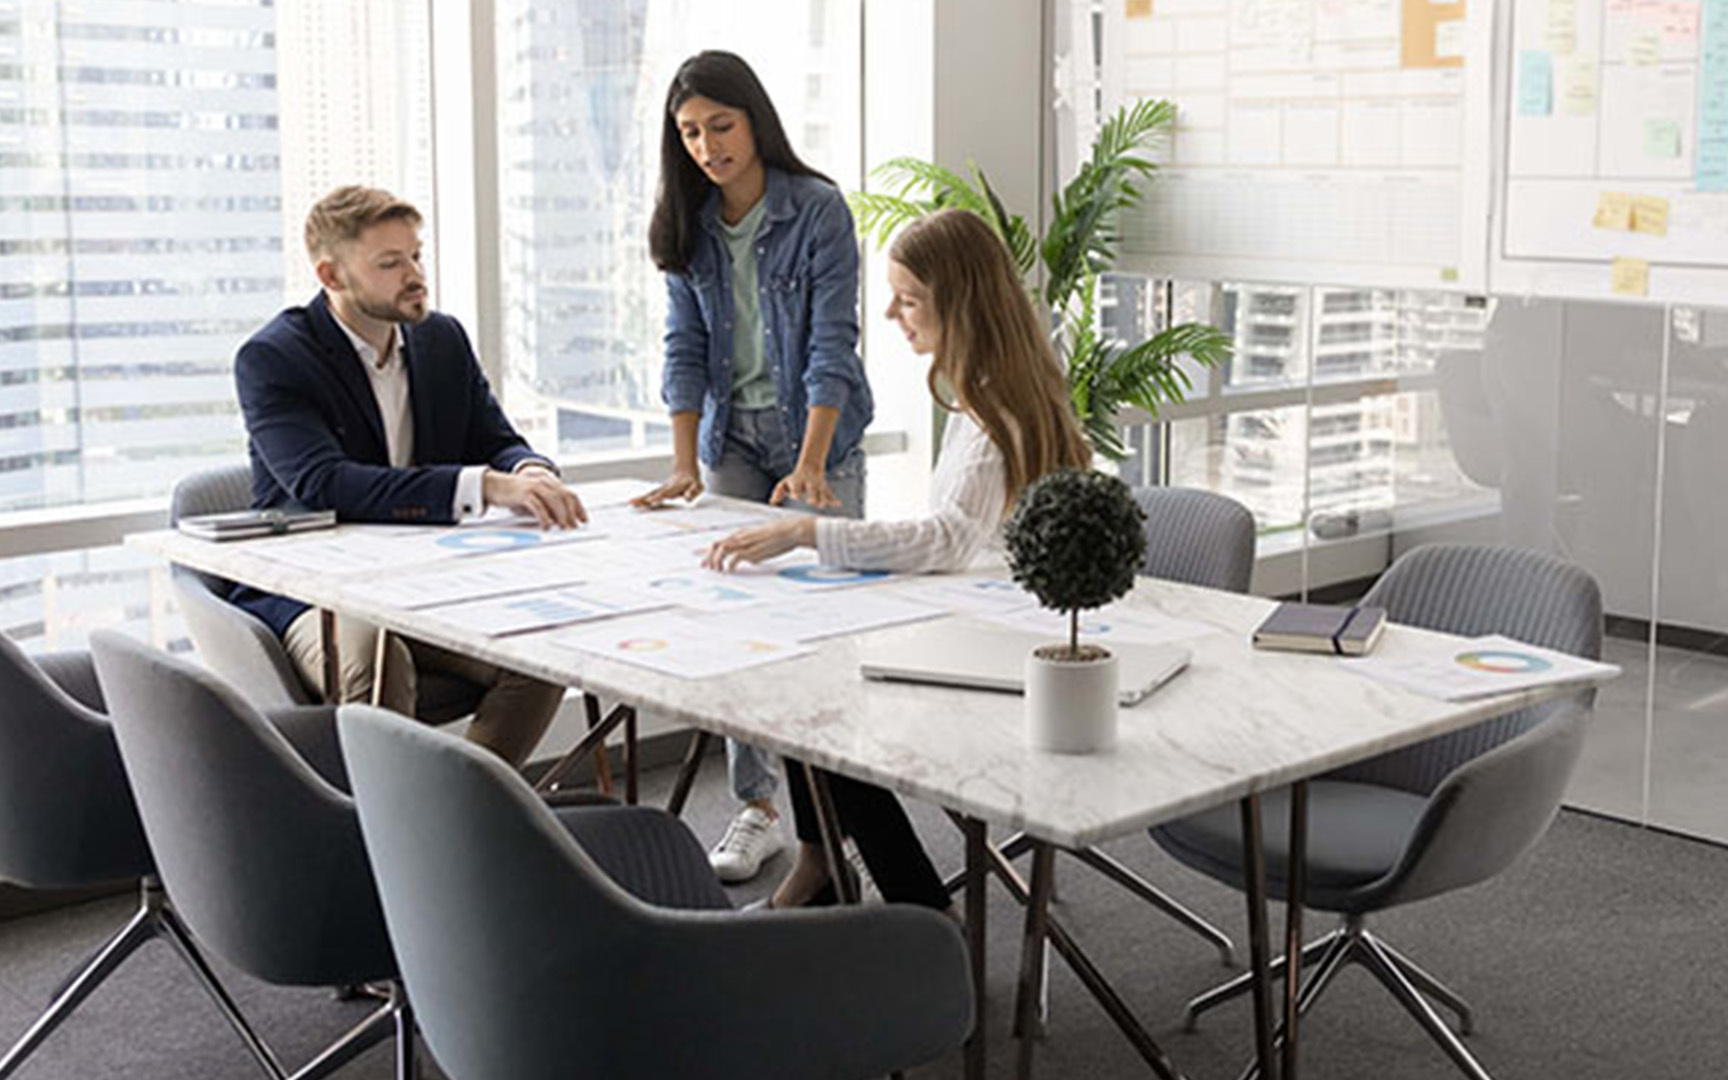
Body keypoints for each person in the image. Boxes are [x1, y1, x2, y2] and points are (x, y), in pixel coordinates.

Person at [704, 208, 1092, 910]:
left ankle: (917, 907)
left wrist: (805, 534)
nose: (891, 312)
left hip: (1003, 655)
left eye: (908, 298)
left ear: (960, 305)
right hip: (985, 625)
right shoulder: (990, 389)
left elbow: (948, 538)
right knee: (805, 682)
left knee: (819, 701)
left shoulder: (996, 409)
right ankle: (825, 867)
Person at [230, 184, 583, 767]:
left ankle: (465, 813)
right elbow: (325, 482)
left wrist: (530, 470)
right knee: (376, 654)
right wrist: (487, 486)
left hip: (423, 580)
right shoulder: (274, 357)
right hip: (316, 591)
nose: (414, 273)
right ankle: (384, 836)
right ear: (332, 275)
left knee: (541, 646)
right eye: (390, 263)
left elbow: (494, 438)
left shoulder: (440, 338)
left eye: (416, 255)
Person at [635, 50, 875, 884]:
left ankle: (841, 816)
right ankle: (761, 808)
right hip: (731, 439)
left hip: (817, 433)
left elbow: (832, 343)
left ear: (755, 120)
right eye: (690, 132)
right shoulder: (688, 223)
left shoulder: (816, 210)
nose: (707, 145)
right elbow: (685, 345)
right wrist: (683, 463)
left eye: (721, 126)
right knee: (737, 628)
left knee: (824, 624)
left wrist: (810, 466)